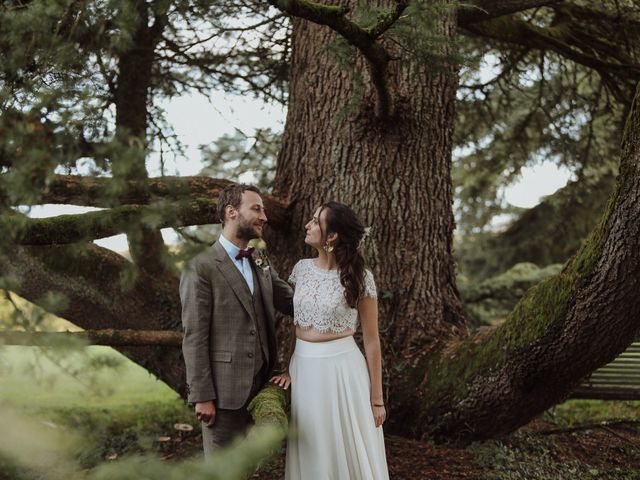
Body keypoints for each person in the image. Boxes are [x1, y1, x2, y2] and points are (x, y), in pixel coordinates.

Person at [271, 201, 389, 480]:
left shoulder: (360, 278)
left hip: (342, 371)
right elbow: (297, 322)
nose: (308, 225)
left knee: (344, 446)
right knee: (313, 447)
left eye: (315, 221)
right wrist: (289, 367)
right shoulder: (301, 269)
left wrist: (376, 399)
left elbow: (372, 341)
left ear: (332, 236)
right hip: (304, 368)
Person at [180, 183, 293, 457]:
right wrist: (202, 396)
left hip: (261, 386)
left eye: (263, 210)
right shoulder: (201, 266)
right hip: (223, 394)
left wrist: (332, 292)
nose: (264, 217)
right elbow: (194, 335)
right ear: (231, 212)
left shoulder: (259, 257)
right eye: (256, 209)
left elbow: (291, 301)